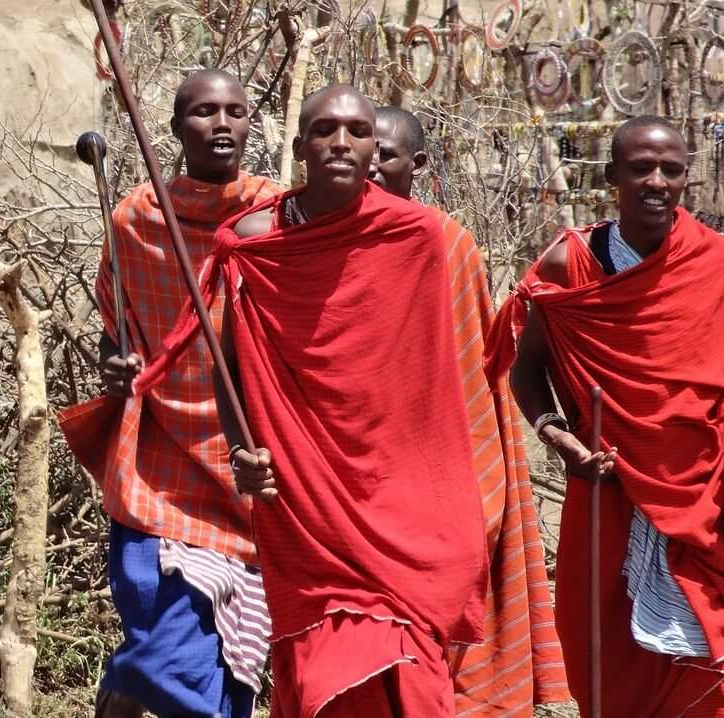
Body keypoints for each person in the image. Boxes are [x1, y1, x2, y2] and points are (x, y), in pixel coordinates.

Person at [132, 84, 488, 716]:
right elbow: (227, 355)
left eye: (356, 131)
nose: (341, 144)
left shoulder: (416, 235)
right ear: (299, 146)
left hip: (400, 499)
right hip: (303, 496)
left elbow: (432, 379)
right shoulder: (252, 240)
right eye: (325, 130)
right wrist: (242, 447)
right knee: (324, 667)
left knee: (408, 671)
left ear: (375, 146)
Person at [58, 69, 280, 718]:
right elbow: (115, 333)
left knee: (220, 628)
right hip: (158, 453)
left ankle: (141, 684)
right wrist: (117, 367)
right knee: (145, 598)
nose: (221, 125)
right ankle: (132, 686)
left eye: (235, 111)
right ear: (177, 129)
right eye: (204, 113)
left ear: (251, 124)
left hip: (249, 457)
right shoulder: (135, 219)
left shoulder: (276, 218)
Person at [487, 116, 724, 716]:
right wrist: (556, 435)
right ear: (613, 175)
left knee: (708, 664)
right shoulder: (573, 265)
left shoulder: (714, 265)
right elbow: (525, 367)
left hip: (702, 493)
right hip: (608, 485)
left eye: (670, 169)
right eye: (640, 168)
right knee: (604, 654)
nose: (656, 182)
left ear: (686, 179)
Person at [371, 106, 570, 715]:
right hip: (355, 471)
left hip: (431, 466)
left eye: (386, 152)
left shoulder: (445, 245)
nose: (371, 164)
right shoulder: (315, 243)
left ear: (419, 165)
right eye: (363, 150)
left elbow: (471, 374)